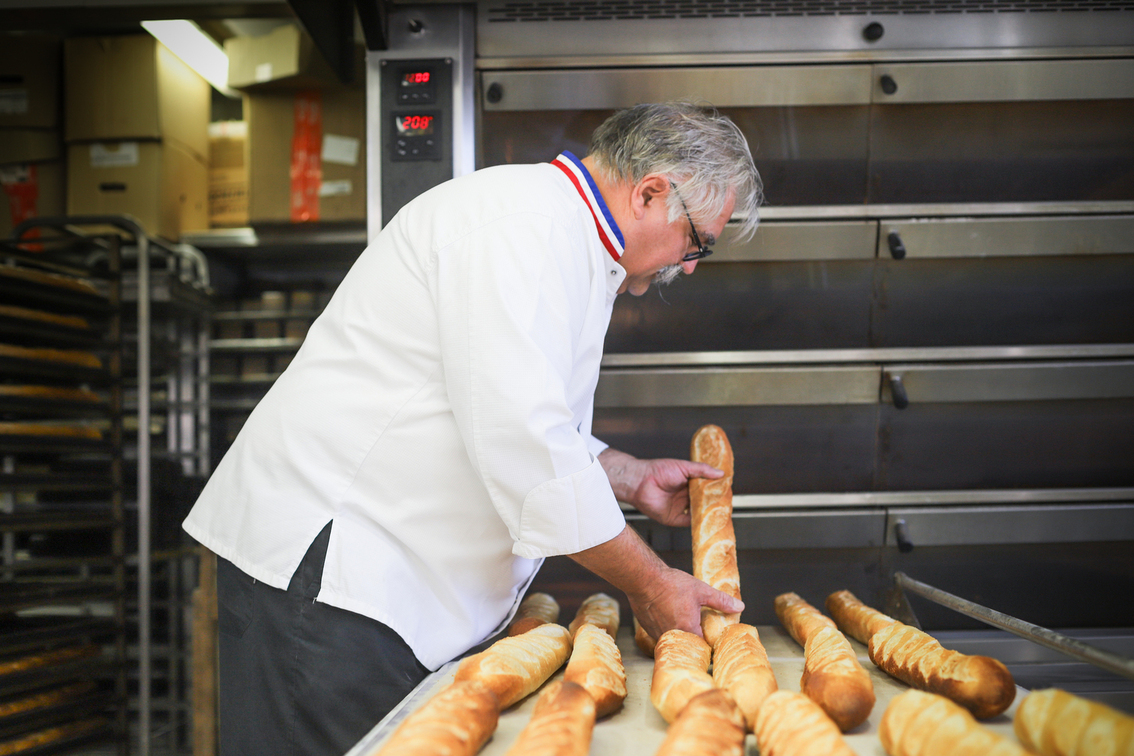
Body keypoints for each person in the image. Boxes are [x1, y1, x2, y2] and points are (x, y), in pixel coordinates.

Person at [183, 101, 763, 756]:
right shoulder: (520, 227)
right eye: (698, 242)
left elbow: (509, 418)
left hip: (379, 591)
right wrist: (653, 585)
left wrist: (625, 475)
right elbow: (525, 444)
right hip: (332, 579)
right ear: (652, 193)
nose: (688, 267)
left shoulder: (569, 242)